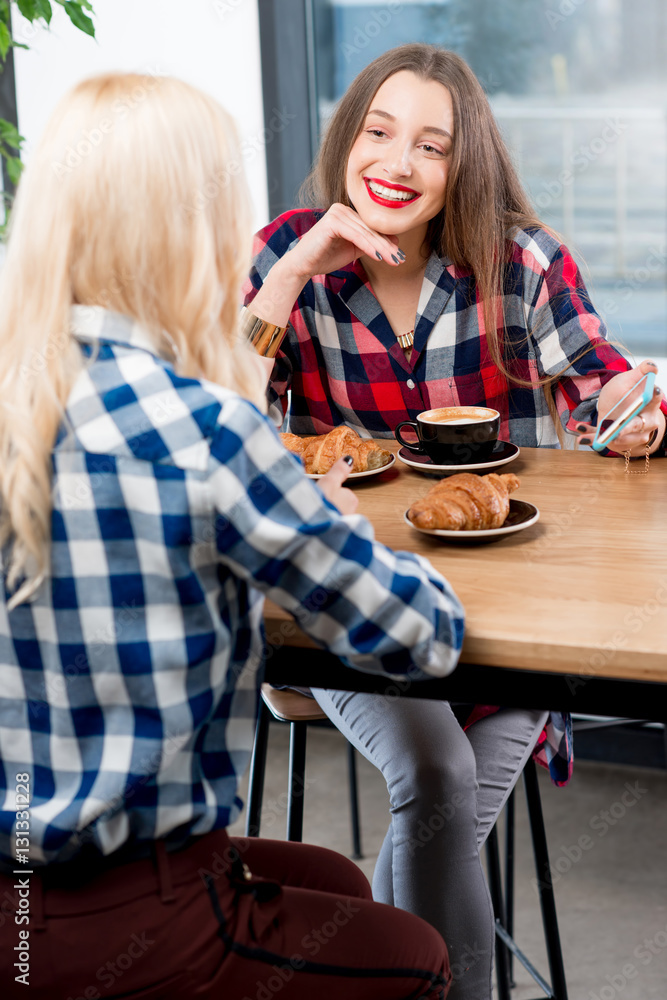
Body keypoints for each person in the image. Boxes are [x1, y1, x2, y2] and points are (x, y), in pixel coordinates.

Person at [0, 73, 469, 1000]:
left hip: (17, 909)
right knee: (416, 960)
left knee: (333, 883)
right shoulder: (203, 430)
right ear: (187, 230)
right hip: (144, 918)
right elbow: (423, 637)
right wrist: (330, 527)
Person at [242, 44, 667, 1000]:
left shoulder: (520, 261)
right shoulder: (289, 253)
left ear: (461, 164)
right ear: (349, 138)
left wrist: (632, 419)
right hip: (348, 603)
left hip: (520, 615)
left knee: (437, 793)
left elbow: (608, 392)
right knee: (435, 777)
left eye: (430, 146)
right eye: (378, 132)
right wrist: (300, 264)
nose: (396, 162)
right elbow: (221, 426)